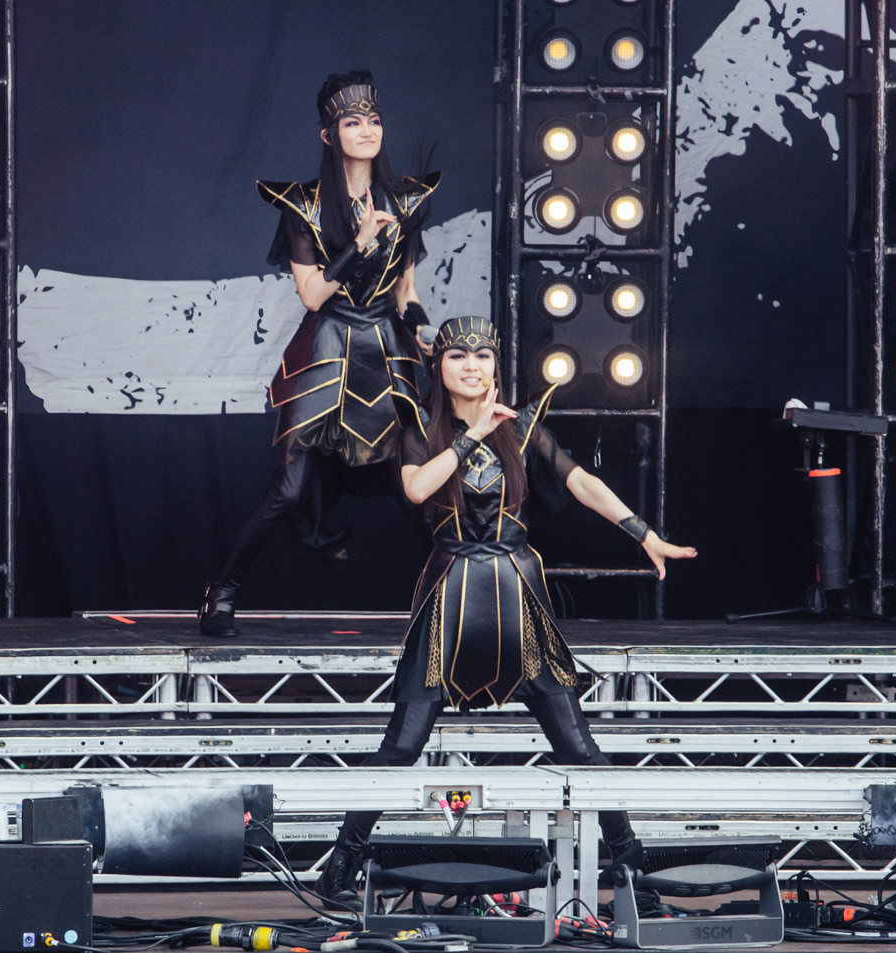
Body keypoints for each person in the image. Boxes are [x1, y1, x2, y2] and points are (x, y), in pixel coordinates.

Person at [315, 315, 698, 904]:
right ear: (439, 368)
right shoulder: (418, 425)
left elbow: (580, 481)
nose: (472, 366)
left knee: (576, 743)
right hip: (450, 595)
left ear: (496, 364)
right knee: (402, 742)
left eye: (483, 355)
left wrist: (642, 532)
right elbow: (417, 489)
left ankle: (629, 865)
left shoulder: (522, 429)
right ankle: (341, 861)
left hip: (518, 593)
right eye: (457, 357)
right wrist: (471, 437)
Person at [200, 70, 441, 638]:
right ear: (329, 134)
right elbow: (311, 294)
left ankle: (478, 594)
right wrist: (356, 247)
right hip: (327, 351)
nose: (367, 130)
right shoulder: (304, 206)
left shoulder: (406, 200)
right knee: (285, 491)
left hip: (387, 354)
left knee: (416, 491)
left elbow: (405, 292)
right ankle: (223, 593)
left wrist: (424, 330)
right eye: (353, 122)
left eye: (374, 120)